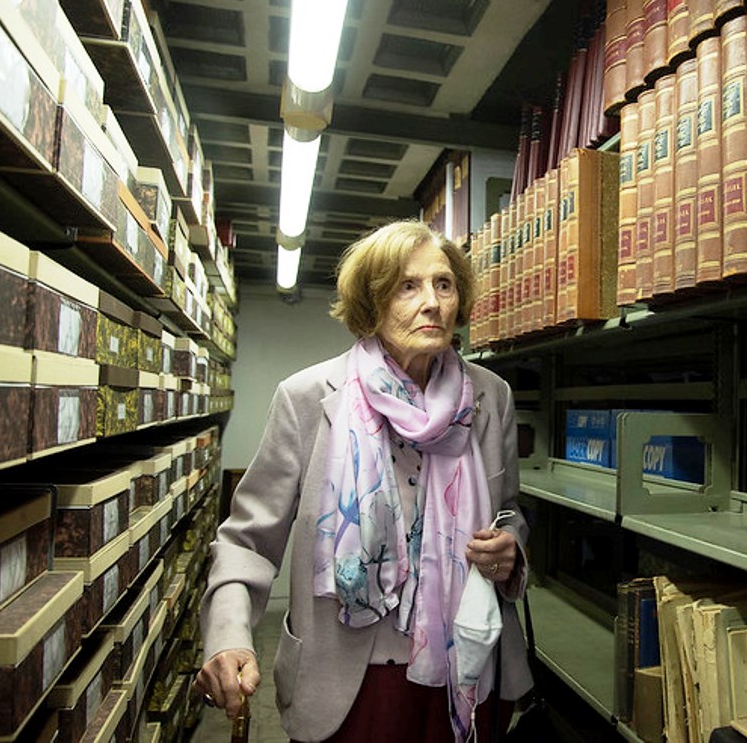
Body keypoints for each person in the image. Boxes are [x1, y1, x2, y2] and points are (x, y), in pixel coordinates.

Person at [195, 220, 532, 742]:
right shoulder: (307, 398)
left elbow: (509, 509)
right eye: (408, 286)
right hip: (348, 681)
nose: (432, 303)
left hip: (469, 665)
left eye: (444, 284)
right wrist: (228, 636)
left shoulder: (491, 397)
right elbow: (247, 541)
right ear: (372, 302)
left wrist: (511, 549)